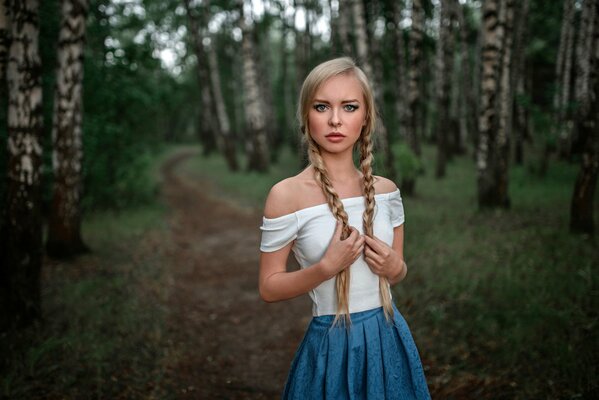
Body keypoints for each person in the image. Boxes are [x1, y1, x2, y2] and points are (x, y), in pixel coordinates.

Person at [259, 57, 431, 399]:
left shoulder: (386, 192)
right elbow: (269, 287)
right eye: (322, 106)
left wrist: (396, 267)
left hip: (389, 336)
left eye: (349, 107)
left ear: (365, 117)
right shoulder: (286, 195)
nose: (335, 120)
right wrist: (325, 268)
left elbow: (396, 270)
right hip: (332, 342)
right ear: (306, 116)